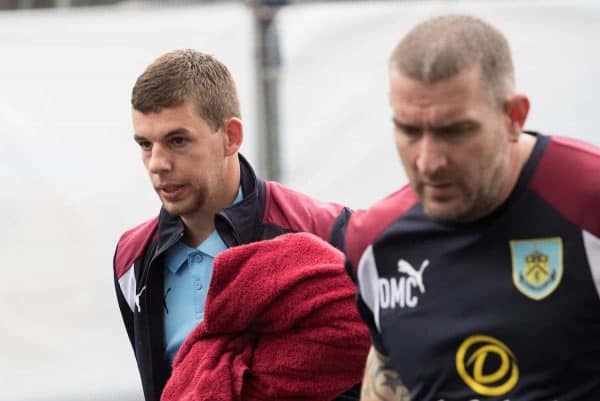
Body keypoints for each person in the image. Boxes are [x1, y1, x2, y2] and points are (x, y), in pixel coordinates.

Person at [343, 15, 600, 401]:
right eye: (409, 131)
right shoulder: (375, 243)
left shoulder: (588, 204)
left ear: (514, 117)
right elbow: (387, 375)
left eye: (455, 131)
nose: (428, 161)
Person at [112, 49, 365, 401]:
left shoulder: (326, 230)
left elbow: (384, 360)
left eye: (177, 141)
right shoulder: (131, 257)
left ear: (231, 136)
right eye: (145, 144)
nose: (158, 164)